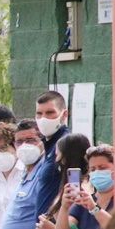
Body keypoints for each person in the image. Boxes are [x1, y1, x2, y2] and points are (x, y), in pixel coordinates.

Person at [0, 119, 47, 229]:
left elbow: (46, 218)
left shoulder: (44, 173)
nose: (25, 145)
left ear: (43, 141)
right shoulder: (26, 172)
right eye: (19, 142)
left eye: (31, 140)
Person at [55, 143, 115, 229]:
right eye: (93, 169)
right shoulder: (84, 202)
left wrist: (94, 209)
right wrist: (64, 207)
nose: (97, 173)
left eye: (102, 168)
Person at [36, 133, 91, 229]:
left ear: (65, 158)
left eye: (58, 155)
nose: (56, 161)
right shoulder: (66, 188)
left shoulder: (85, 189)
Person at [33, 90, 70, 218]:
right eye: (39, 113)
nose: (44, 118)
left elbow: (74, 186)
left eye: (50, 113)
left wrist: (55, 224)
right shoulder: (48, 147)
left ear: (64, 114)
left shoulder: (66, 145)